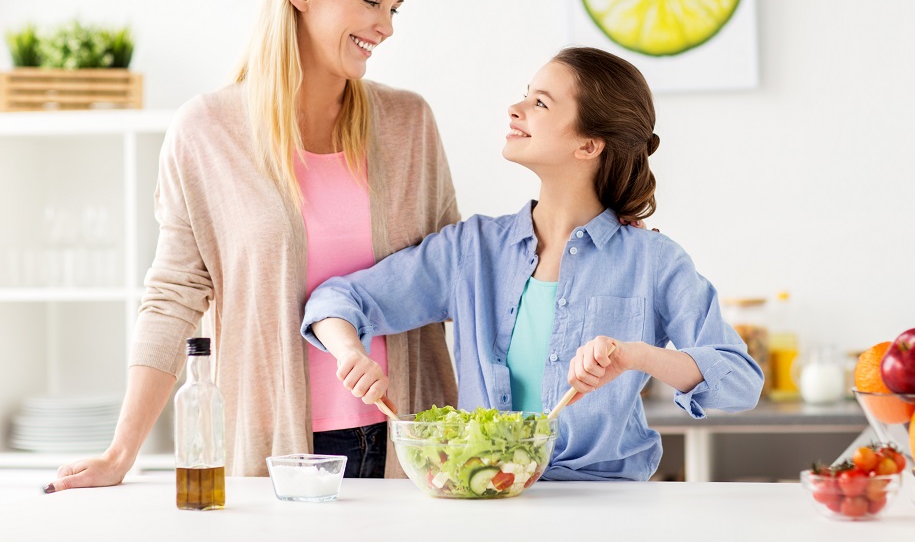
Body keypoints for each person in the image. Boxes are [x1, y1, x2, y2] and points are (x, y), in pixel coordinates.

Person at [46, 0, 458, 492]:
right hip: (276, 452)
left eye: (394, 8)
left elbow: (456, 273)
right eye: (371, 0)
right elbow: (173, 296)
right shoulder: (207, 131)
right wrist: (121, 452)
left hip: (411, 444)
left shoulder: (409, 123)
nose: (386, 26)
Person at [301, 46, 764, 481]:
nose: (515, 109)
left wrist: (634, 356)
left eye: (540, 103)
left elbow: (739, 381)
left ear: (588, 145)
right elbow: (337, 298)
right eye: (525, 95)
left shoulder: (653, 261)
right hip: (487, 496)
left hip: (611, 507)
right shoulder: (473, 250)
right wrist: (349, 353)